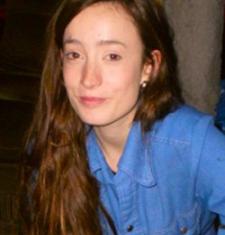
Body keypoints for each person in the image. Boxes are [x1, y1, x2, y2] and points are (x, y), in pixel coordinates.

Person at [20, 0, 225, 234]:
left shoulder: (193, 143)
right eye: (75, 54)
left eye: (112, 56)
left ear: (149, 66)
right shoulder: (49, 150)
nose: (88, 79)